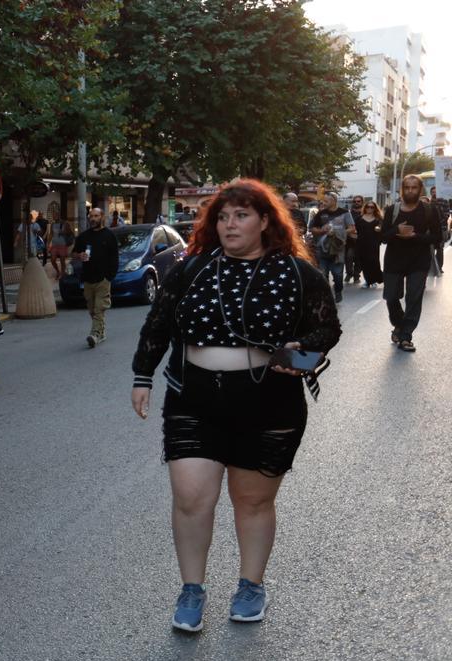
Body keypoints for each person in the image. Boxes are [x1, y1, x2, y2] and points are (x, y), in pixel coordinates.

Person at [130, 179, 341, 633]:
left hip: (268, 402)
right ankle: (191, 590)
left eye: (241, 215)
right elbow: (159, 322)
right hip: (193, 399)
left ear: (265, 222)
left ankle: (250, 585)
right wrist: (142, 376)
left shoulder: (296, 273)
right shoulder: (192, 268)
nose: (230, 224)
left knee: (252, 501)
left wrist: (297, 356)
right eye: (223, 217)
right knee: (190, 499)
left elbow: (327, 332)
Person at [382, 175, 443, 352]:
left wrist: (416, 236)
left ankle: (406, 336)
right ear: (402, 189)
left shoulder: (429, 210)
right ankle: (399, 325)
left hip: (419, 262)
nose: (410, 191)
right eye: (407, 187)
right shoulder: (392, 210)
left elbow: (438, 237)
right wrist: (396, 231)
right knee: (391, 297)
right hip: (394, 261)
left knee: (414, 299)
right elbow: (383, 237)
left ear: (420, 189)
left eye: (414, 187)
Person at [72, 207, 119, 348]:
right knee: (92, 309)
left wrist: (109, 276)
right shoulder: (83, 236)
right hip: (88, 279)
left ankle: (95, 334)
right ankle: (102, 332)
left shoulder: (109, 236)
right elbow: (73, 253)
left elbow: (115, 258)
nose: (93, 219)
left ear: (102, 217)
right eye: (91, 216)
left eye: (96, 216)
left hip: (103, 279)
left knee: (99, 308)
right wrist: (79, 256)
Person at [309, 193, 350, 303]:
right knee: (323, 274)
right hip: (322, 249)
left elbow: (352, 229)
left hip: (337, 249)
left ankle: (338, 291)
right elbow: (311, 228)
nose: (324, 203)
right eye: (323, 201)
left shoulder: (344, 213)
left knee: (337, 274)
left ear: (334, 201)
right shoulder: (320, 214)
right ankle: (326, 295)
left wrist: (337, 233)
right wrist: (322, 231)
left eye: (326, 201)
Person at [356, 201, 385, 288]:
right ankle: (368, 280)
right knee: (364, 262)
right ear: (365, 208)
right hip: (361, 243)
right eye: (368, 207)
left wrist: (379, 230)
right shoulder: (359, 218)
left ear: (375, 209)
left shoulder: (378, 219)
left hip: (374, 243)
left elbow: (383, 229)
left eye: (372, 207)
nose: (370, 208)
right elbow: (354, 229)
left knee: (374, 262)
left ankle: (374, 279)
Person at [344, 196, 363, 285]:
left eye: (358, 201)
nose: (356, 202)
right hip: (350, 240)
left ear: (362, 202)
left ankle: (356, 275)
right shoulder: (348, 213)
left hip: (361, 240)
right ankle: (349, 273)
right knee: (348, 257)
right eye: (355, 201)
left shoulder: (364, 214)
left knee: (359, 259)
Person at [431, 186, 449, 275]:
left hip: (441, 229)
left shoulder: (444, 202)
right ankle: (431, 267)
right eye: (433, 192)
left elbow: (446, 215)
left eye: (435, 192)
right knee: (431, 248)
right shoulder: (430, 202)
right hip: (431, 230)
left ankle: (439, 267)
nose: (434, 193)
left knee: (440, 248)